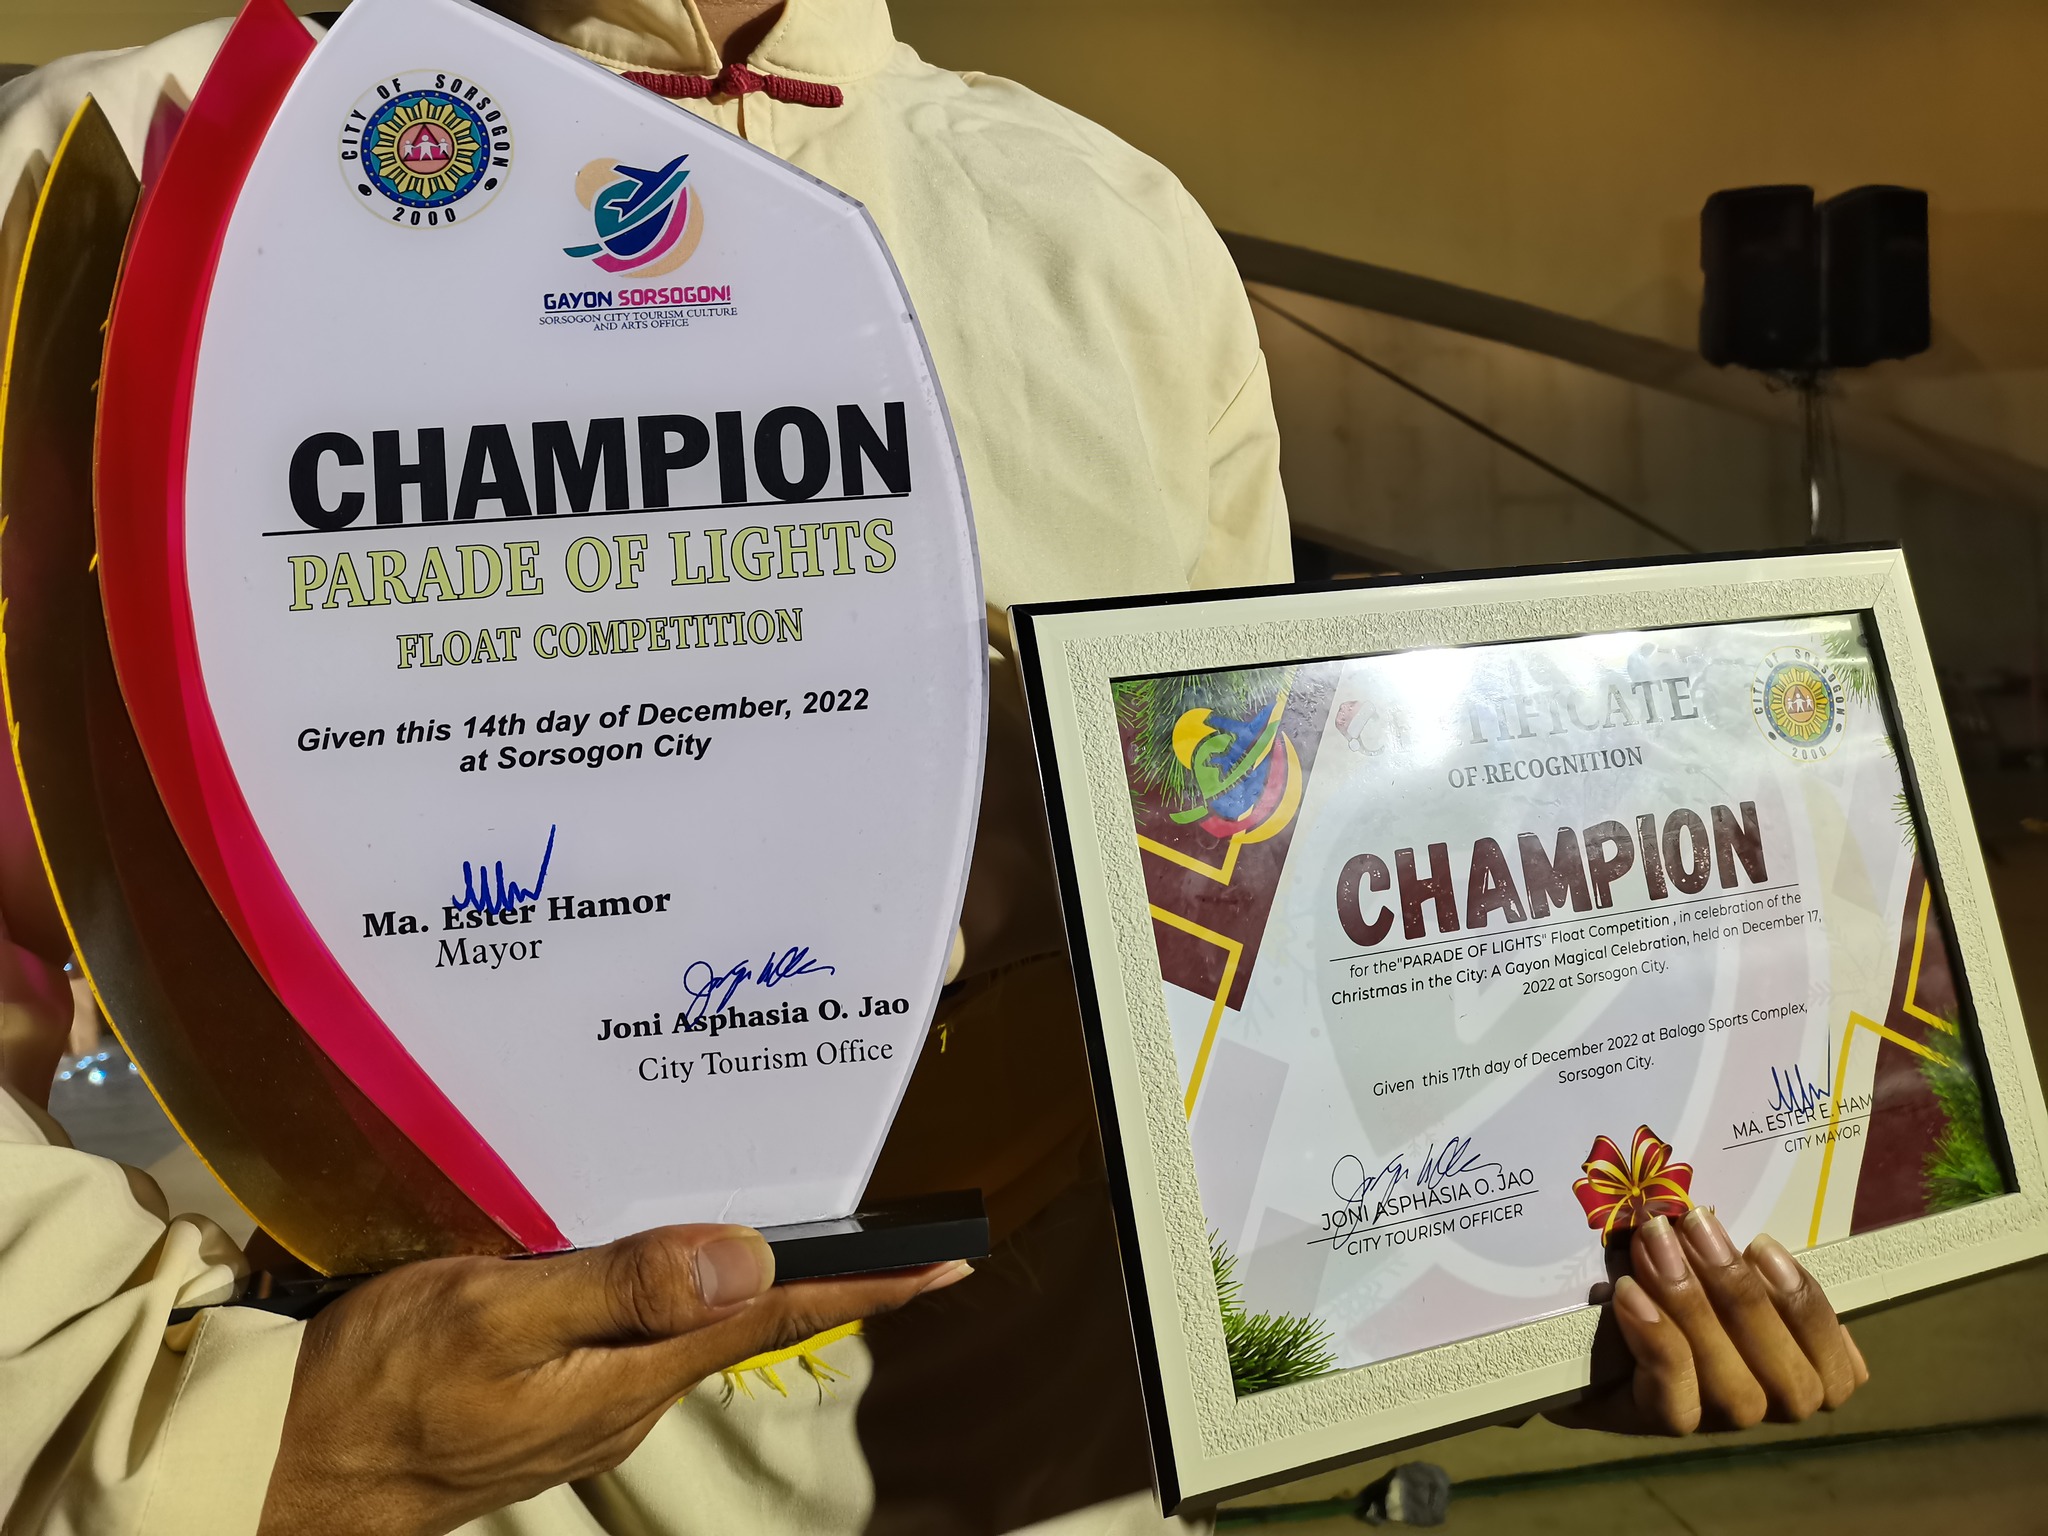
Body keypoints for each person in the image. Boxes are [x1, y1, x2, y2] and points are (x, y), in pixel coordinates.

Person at [0, 3, 1868, 1533]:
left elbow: (1235, 935)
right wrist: (220, 1447)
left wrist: (1490, 1294)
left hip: (1041, 1474)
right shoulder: (122, 171)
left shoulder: (1104, 227)